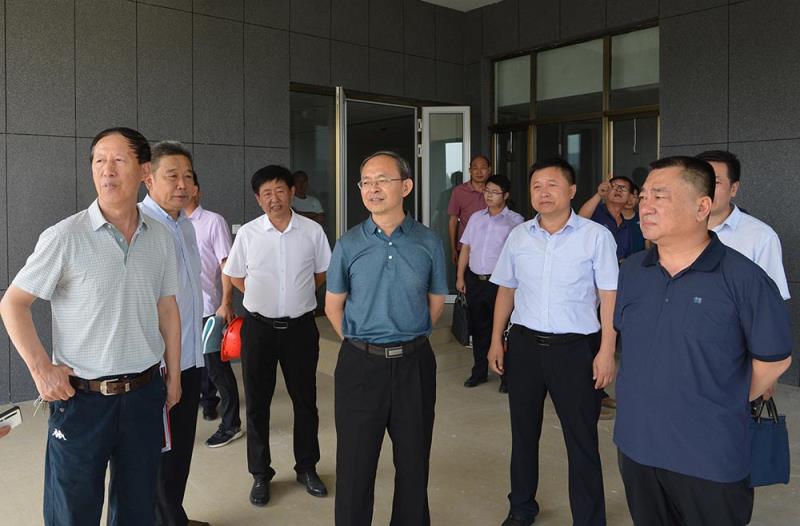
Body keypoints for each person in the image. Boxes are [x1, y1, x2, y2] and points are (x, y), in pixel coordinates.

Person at [0, 127, 182, 525]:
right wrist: (41, 370)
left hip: (144, 394)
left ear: (144, 171)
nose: (106, 170)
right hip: (81, 400)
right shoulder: (65, 236)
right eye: (99, 160)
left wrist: (174, 376)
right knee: (72, 512)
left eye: (118, 160)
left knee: (137, 508)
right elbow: (13, 303)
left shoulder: (160, 238)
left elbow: (167, 308)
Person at [614, 156, 792, 526]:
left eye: (660, 196)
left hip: (708, 456)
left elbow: (775, 358)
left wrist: (721, 399)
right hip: (637, 445)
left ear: (702, 206)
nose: (645, 205)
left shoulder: (744, 278)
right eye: (643, 196)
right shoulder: (633, 271)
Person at [488, 158, 618, 526]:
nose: (543, 193)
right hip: (525, 346)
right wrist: (496, 339)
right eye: (536, 186)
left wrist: (607, 350)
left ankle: (589, 519)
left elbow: (609, 295)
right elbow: (506, 289)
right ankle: (521, 508)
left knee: (581, 439)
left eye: (552, 185)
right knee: (523, 433)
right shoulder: (519, 235)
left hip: (576, 349)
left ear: (572, 191)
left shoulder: (596, 236)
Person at [326, 151, 447, 526]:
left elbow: (436, 302)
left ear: (406, 186)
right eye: (366, 181)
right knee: (355, 464)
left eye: (382, 180)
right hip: (360, 366)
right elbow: (333, 306)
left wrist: (405, 335)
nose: (372, 188)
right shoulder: (349, 243)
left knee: (413, 462)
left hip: (415, 364)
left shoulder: (428, 241)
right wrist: (362, 343)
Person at [224, 165, 331, 507]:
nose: (274, 198)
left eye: (280, 190)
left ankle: (307, 468)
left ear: (292, 192)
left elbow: (321, 272)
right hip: (259, 329)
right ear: (258, 199)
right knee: (257, 404)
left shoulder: (312, 231)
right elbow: (235, 275)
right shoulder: (248, 234)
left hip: (300, 329)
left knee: (305, 401)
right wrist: (262, 296)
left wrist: (295, 296)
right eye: (266, 193)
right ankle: (260, 473)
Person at [141, 141, 208, 526]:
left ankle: (173, 516)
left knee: (180, 449)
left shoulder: (185, 225)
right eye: (172, 176)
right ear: (148, 179)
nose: (182, 184)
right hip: (161, 365)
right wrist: (169, 370)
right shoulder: (142, 226)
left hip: (191, 356)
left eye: (187, 176)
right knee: (158, 454)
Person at [185, 172, 243, 448]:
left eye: (187, 183)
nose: (181, 188)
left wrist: (226, 302)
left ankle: (231, 424)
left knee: (217, 369)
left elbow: (226, 265)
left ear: (197, 190)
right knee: (190, 365)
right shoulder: (169, 223)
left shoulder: (212, 221)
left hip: (208, 309)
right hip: (179, 312)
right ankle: (206, 401)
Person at [456, 174, 523, 391]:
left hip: (500, 284)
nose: (489, 196)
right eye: (487, 191)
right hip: (476, 280)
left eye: (495, 192)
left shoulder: (515, 221)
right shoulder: (476, 218)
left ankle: (506, 376)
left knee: (503, 329)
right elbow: (466, 248)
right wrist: (460, 276)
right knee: (479, 328)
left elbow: (518, 256)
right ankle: (479, 372)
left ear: (506, 195)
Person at [696, 150, 790, 300]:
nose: (706, 189)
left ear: (733, 189)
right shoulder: (675, 229)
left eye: (716, 182)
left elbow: (770, 301)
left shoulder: (761, 237)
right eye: (700, 181)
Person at [578, 175, 638, 261]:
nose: (618, 190)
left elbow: (625, 256)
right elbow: (581, 219)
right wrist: (599, 194)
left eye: (623, 188)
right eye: (614, 186)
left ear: (629, 196)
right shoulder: (596, 211)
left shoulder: (625, 226)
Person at [448, 154, 491, 264]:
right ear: (470, 171)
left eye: (483, 168)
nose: (479, 172)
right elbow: (453, 221)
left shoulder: (495, 191)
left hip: (491, 247)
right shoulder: (459, 191)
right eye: (475, 168)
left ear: (489, 170)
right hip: (465, 248)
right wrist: (453, 249)